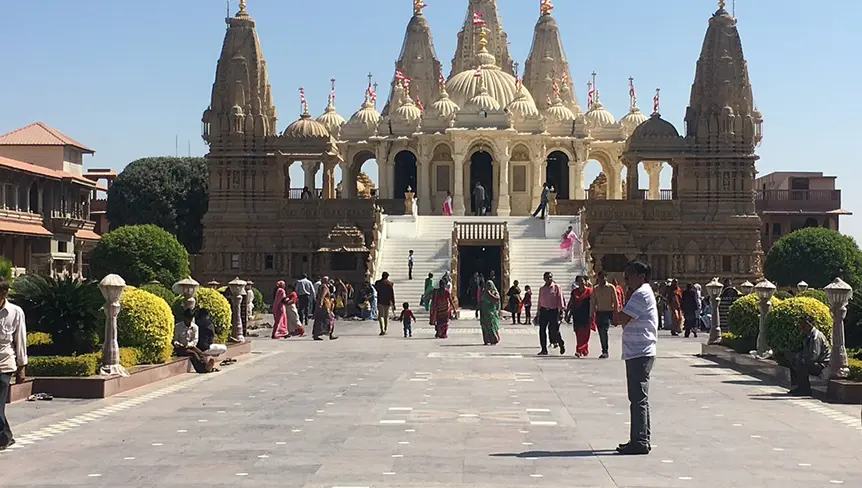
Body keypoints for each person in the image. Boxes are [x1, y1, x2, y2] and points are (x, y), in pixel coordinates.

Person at [616, 260, 658, 455]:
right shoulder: (642, 292)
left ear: (641, 276)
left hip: (639, 351)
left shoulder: (640, 294)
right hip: (639, 350)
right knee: (640, 398)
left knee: (638, 398)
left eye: (629, 275)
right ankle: (642, 438)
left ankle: (639, 441)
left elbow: (621, 318)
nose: (626, 280)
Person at [0, 279, 26, 451]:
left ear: (3, 294)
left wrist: (22, 366)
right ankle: (6, 436)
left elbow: (20, 340)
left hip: (4, 364)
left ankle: (4, 438)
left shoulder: (15, 312)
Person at [788, 314, 830, 396]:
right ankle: (798, 386)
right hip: (814, 362)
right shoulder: (808, 335)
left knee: (802, 364)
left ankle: (805, 389)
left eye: (802, 324)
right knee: (793, 360)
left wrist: (802, 359)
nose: (800, 327)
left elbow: (814, 356)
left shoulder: (816, 337)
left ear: (808, 324)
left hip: (822, 365)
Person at [174, 309, 213, 373]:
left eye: (190, 318)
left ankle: (206, 366)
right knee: (193, 354)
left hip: (190, 346)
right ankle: (203, 368)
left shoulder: (195, 327)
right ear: (185, 318)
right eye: (188, 318)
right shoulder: (178, 327)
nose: (189, 320)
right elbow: (175, 339)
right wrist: (178, 344)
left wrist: (189, 344)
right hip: (180, 348)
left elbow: (195, 340)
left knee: (200, 352)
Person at [591, 271, 619, 359]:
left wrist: (616, 313)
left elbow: (615, 301)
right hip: (599, 312)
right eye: (600, 278)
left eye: (603, 277)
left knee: (604, 331)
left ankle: (605, 351)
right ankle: (604, 349)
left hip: (608, 312)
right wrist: (591, 313)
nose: (601, 279)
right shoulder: (595, 288)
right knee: (601, 332)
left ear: (606, 278)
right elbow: (593, 302)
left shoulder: (611, 287)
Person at [537, 271, 566, 356]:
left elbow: (560, 298)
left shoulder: (556, 287)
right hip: (544, 310)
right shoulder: (542, 289)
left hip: (553, 311)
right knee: (542, 330)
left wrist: (561, 311)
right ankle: (544, 349)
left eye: (550, 277)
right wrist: (538, 312)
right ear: (544, 279)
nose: (549, 279)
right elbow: (540, 301)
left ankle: (561, 343)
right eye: (547, 277)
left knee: (554, 330)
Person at [568, 276, 594, 358]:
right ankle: (584, 349)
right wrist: (567, 312)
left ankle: (579, 350)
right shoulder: (574, 292)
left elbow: (593, 303)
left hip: (587, 314)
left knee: (586, 334)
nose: (581, 282)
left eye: (582, 281)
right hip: (577, 314)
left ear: (585, 281)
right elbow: (571, 302)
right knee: (578, 334)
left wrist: (592, 314)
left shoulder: (590, 291)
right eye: (579, 281)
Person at [480, 280, 502, 345]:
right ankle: (487, 340)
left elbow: (497, 299)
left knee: (491, 326)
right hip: (484, 312)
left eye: (489, 285)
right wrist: (477, 309)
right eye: (487, 285)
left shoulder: (494, 293)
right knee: (485, 326)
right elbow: (480, 301)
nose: (488, 286)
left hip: (491, 313)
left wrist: (490, 294)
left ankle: (494, 339)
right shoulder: (483, 292)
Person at [375, 272, 395, 336]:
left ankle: (382, 329)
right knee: (386, 316)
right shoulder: (390, 284)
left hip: (380, 300)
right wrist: (393, 303)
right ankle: (385, 329)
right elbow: (392, 295)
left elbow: (376, 289)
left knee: (380, 316)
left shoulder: (378, 283)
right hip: (387, 302)